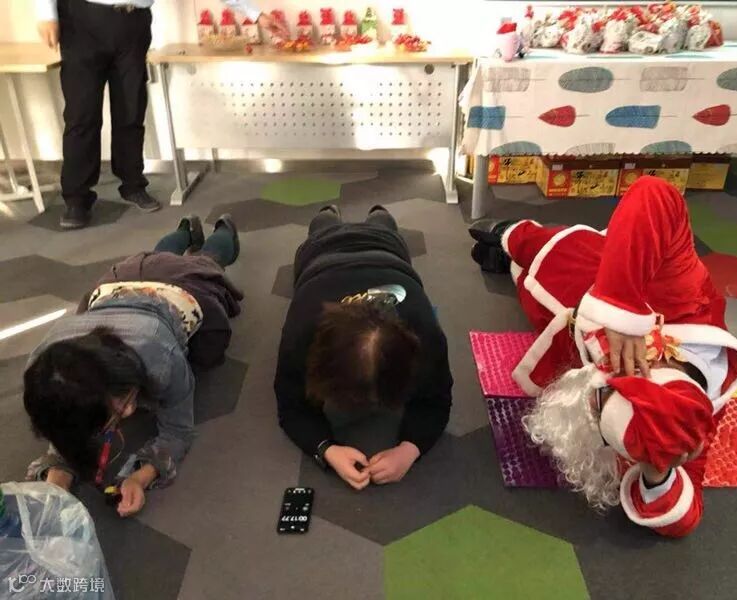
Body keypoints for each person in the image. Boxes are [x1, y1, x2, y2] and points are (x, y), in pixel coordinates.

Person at [469, 176, 737, 537]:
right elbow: (654, 193)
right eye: (600, 400)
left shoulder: (686, 426)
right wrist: (621, 307)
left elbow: (684, 521)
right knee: (537, 245)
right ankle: (508, 233)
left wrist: (658, 471)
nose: (589, 409)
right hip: (586, 268)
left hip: (558, 335)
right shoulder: (689, 297)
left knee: (526, 292)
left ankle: (508, 263)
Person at [24, 214, 243, 517]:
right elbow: (63, 421)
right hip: (119, 281)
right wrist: (56, 482)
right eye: (119, 407)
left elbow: (178, 430)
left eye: (124, 400)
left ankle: (225, 228)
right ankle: (184, 230)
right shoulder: (43, 370)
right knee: (157, 255)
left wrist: (142, 476)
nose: (129, 412)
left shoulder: (159, 357)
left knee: (208, 260)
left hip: (182, 285)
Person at [35, 0, 289, 230]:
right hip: (82, 21)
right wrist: (46, 13)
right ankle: (77, 199)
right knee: (82, 115)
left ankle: (133, 184)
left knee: (131, 110)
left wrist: (255, 14)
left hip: (133, 23)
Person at [275, 205, 453, 490]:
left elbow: (438, 398)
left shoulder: (425, 333)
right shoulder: (300, 333)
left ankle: (373, 213)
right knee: (324, 224)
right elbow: (290, 403)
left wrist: (410, 448)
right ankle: (334, 213)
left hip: (387, 250)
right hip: (319, 254)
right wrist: (326, 448)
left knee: (380, 223)